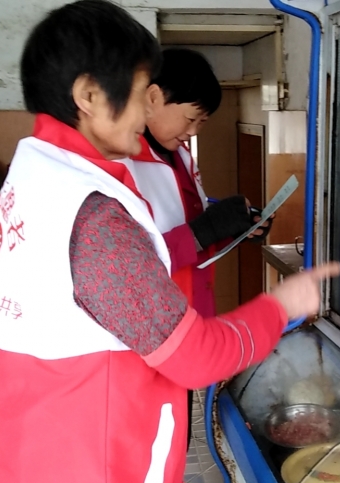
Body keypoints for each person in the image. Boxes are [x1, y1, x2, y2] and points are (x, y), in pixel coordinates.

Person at [0, 2, 340, 483]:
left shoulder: (35, 172)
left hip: (27, 450)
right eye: (143, 94)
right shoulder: (92, 212)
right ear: (90, 95)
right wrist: (282, 305)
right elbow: (197, 359)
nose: (147, 109)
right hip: (87, 469)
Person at [127, 48, 271, 446]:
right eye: (191, 119)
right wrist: (207, 228)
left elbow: (189, 218)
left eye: (201, 123)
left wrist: (234, 226)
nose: (193, 132)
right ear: (154, 97)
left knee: (176, 426)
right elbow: (133, 261)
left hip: (188, 313)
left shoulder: (180, 156)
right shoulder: (125, 165)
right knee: (150, 435)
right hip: (150, 324)